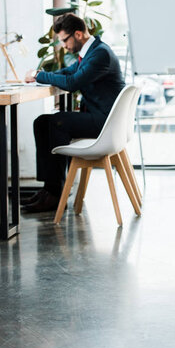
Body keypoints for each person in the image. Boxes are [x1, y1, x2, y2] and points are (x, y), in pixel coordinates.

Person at [23, 13, 125, 212]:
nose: (63, 46)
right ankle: (49, 189)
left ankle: (55, 193)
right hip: (101, 117)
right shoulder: (92, 52)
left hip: (106, 123)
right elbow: (70, 72)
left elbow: (73, 83)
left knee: (56, 123)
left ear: (78, 34)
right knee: (42, 122)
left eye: (64, 40)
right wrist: (39, 76)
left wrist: (40, 75)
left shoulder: (100, 54)